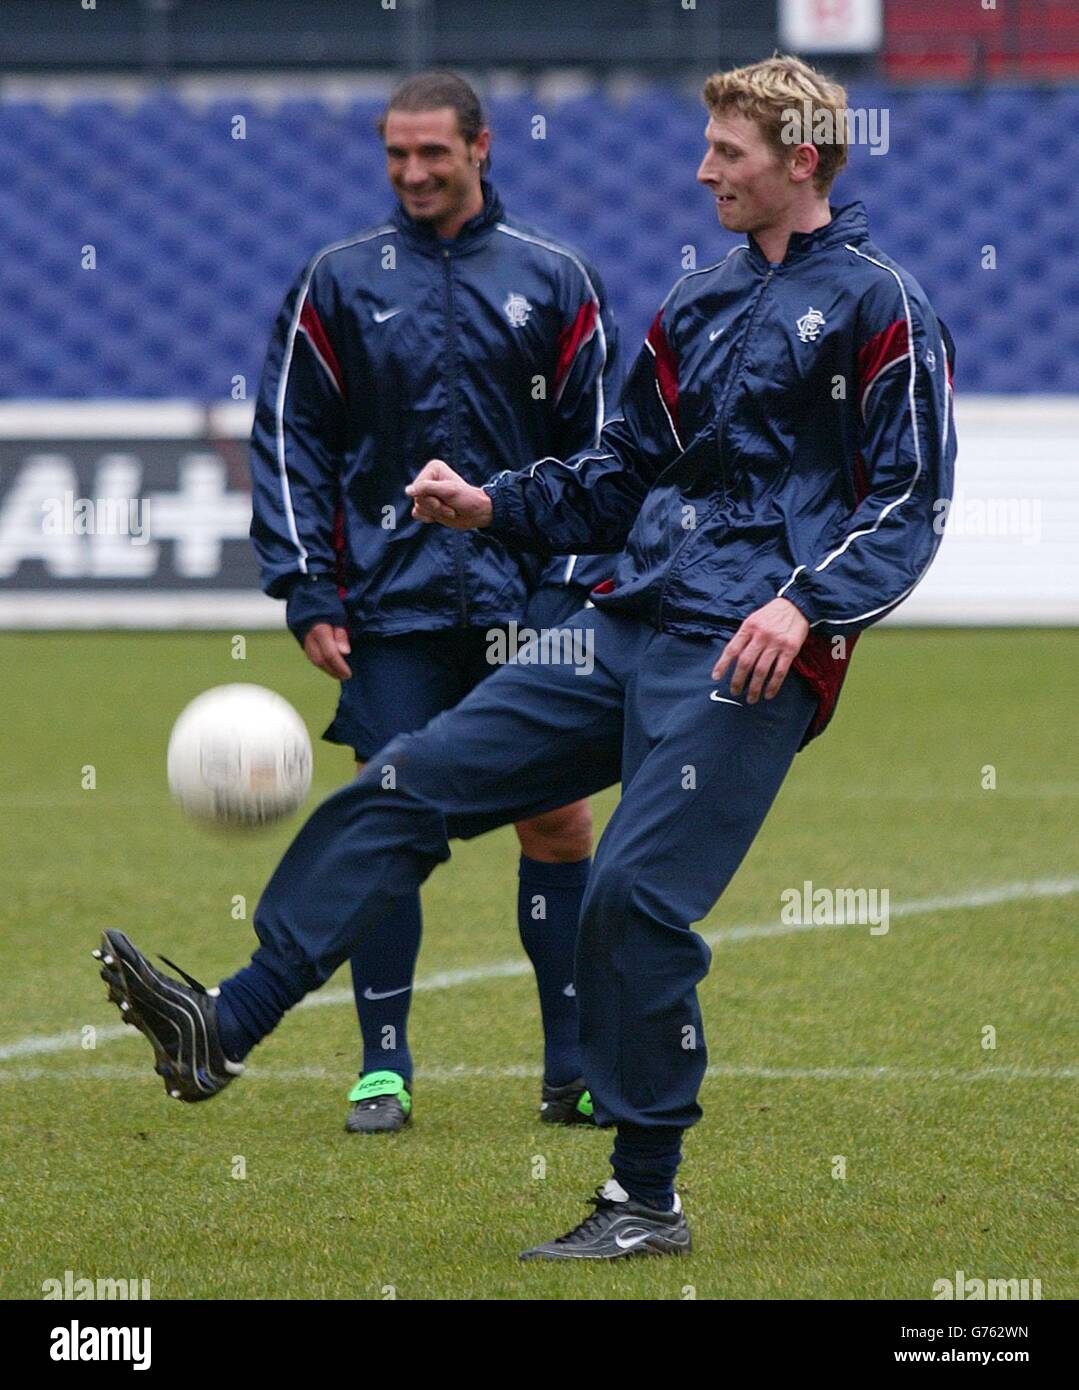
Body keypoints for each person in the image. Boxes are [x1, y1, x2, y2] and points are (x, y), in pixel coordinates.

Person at [96, 55, 955, 1260]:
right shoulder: (698, 302)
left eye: (727, 150)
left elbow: (910, 500)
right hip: (629, 614)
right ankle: (222, 1024)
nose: (701, 167)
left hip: (748, 659)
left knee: (631, 898)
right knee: (408, 778)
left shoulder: (882, 305)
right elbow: (616, 476)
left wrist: (806, 609)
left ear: (799, 159)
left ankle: (643, 1200)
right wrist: (485, 503)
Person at [247, 71, 621, 1133]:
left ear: (480, 147)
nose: (413, 173)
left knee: (556, 819)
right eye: (395, 155)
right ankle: (383, 1064)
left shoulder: (553, 278)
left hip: (528, 597)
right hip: (393, 605)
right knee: (391, 807)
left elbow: (601, 451)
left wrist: (570, 588)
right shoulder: (337, 280)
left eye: (433, 154)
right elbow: (291, 440)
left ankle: (572, 1065)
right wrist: (308, 585)